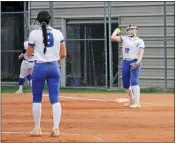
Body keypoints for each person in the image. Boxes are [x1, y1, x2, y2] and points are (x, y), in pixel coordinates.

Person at [27, 11, 66, 136]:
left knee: (37, 98)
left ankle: (37, 128)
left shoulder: (34, 33)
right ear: (50, 20)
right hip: (54, 67)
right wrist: (54, 59)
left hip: (39, 67)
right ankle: (56, 129)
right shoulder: (58, 33)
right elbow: (63, 54)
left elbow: (28, 53)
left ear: (38, 20)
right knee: (55, 99)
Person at [111, 25, 145, 108]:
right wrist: (116, 30)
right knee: (125, 84)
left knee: (134, 81)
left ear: (136, 30)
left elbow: (141, 53)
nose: (130, 31)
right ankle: (131, 98)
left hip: (135, 61)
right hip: (126, 61)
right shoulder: (124, 38)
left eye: (132, 29)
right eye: (129, 30)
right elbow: (113, 38)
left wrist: (137, 62)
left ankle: (137, 103)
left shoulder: (140, 41)